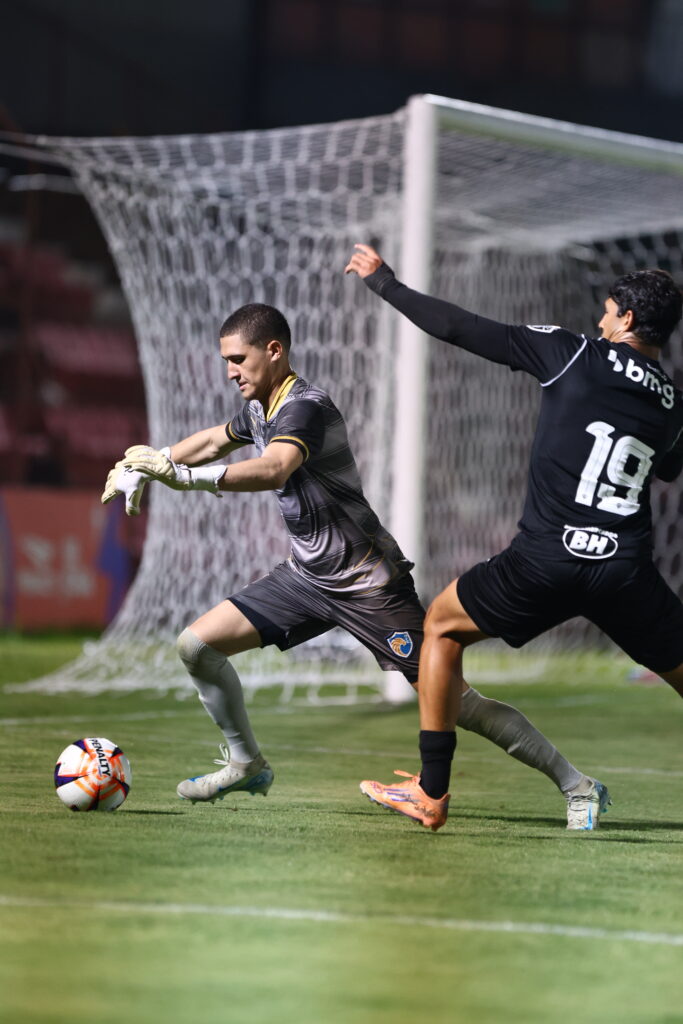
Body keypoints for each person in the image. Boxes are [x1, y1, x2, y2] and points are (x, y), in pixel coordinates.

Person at [102, 301, 604, 823]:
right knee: (197, 646)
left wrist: (181, 478)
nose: (230, 371)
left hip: (369, 584)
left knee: (458, 704)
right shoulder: (259, 409)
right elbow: (213, 440)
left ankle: (579, 786)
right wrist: (152, 462)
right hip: (307, 579)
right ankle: (246, 763)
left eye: (238, 359)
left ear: (274, 351)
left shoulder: (305, 408)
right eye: (225, 360)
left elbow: (275, 468)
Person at [345, 243, 683, 833]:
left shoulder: (573, 352)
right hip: (624, 571)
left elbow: (460, 328)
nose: (600, 320)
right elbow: (671, 468)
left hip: (545, 559)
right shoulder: (674, 402)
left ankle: (431, 791)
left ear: (627, 319)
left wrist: (386, 284)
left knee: (441, 628)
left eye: (607, 311)